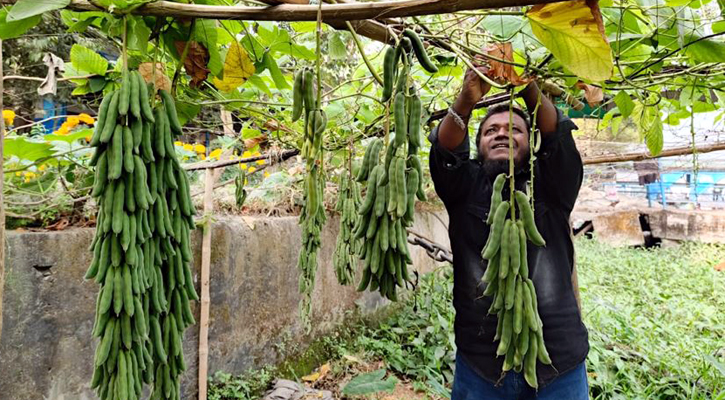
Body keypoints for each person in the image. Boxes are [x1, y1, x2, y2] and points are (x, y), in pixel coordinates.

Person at [428, 63, 590, 400]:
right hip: (482, 363)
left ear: (530, 143)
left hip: (558, 360)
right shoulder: (464, 188)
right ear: (478, 146)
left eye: (514, 129)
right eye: (490, 131)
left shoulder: (553, 186)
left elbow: (557, 134)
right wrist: (466, 100)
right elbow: (445, 150)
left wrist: (526, 84)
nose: (501, 133)